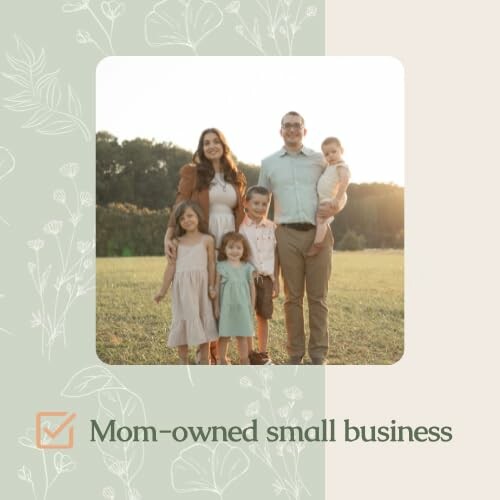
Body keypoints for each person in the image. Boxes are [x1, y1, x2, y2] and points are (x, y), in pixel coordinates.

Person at [258, 111, 341, 365]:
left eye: (297, 125)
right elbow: (261, 201)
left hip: (319, 233)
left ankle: (318, 355)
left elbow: (339, 185)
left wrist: (337, 207)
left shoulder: (320, 160)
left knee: (318, 298)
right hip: (286, 235)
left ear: (305, 131)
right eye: (287, 126)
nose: (292, 129)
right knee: (292, 298)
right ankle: (295, 354)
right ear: (280, 130)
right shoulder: (269, 163)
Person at [163, 128, 246, 363]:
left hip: (230, 238)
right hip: (205, 236)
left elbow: (242, 211)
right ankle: (205, 353)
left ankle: (219, 353)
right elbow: (181, 202)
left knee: (224, 293)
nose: (211, 146)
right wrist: (169, 234)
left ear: (223, 145)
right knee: (206, 291)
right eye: (206, 142)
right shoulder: (193, 173)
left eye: (215, 141)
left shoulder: (235, 174)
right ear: (201, 148)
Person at [154, 201, 218, 364]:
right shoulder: (176, 242)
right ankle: (183, 361)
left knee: (204, 320)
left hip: (202, 288)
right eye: (182, 218)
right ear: (179, 223)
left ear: (198, 217)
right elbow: (170, 267)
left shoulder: (207, 240)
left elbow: (211, 265)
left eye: (190, 215)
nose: (187, 220)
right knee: (182, 321)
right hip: (182, 289)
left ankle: (205, 359)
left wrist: (212, 286)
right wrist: (162, 291)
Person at [239, 186, 279, 365]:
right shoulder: (241, 228)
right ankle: (249, 352)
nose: (260, 207)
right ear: (246, 203)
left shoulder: (272, 228)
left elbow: (276, 255)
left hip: (267, 278)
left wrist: (276, 279)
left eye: (264, 204)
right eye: (256, 203)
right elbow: (239, 255)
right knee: (247, 316)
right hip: (248, 280)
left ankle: (263, 353)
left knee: (263, 316)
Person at [213, 232, 255, 365]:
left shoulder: (247, 268)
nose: (235, 251)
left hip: (243, 307)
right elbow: (216, 288)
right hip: (226, 307)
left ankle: (244, 359)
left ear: (244, 249)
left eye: (238, 247)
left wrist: (252, 307)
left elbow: (252, 288)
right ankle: (222, 359)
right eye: (231, 247)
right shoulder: (221, 266)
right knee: (224, 335)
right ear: (224, 249)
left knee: (242, 335)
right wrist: (216, 307)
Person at [306, 136, 351, 257]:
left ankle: (317, 244)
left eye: (334, 152)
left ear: (341, 150)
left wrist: (337, 199)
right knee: (320, 218)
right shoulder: (330, 166)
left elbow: (344, 181)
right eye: (326, 154)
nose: (330, 156)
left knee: (321, 218)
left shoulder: (341, 166)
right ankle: (319, 240)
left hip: (333, 197)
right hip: (326, 197)